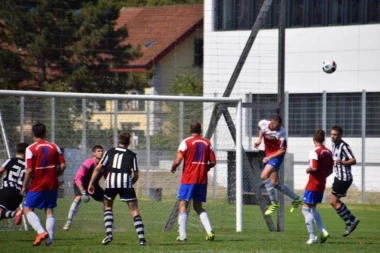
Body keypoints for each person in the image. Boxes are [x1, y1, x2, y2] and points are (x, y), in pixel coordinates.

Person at [88, 132, 147, 246]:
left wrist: (91, 183)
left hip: (111, 183)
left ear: (118, 141)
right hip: (125, 182)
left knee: (108, 206)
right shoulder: (132, 155)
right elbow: (136, 174)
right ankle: (142, 240)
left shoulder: (110, 152)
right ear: (129, 142)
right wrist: (130, 183)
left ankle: (109, 234)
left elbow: (98, 168)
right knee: (134, 211)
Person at [171, 121, 216, 242]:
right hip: (202, 179)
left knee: (183, 204)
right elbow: (213, 162)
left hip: (189, 178)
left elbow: (178, 160)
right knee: (198, 206)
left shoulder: (186, 142)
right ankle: (209, 231)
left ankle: (182, 236)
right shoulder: (208, 143)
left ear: (190, 130)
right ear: (200, 130)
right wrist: (205, 168)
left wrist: (173, 167)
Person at [21, 123, 66, 246]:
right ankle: (50, 241)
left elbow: (29, 170)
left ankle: (41, 231)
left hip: (37, 184)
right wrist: (56, 175)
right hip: (52, 184)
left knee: (27, 209)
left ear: (33, 134)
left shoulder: (30, 149)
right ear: (45, 133)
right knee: (49, 211)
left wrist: (24, 185)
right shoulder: (54, 146)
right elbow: (62, 166)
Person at [254, 114, 302, 215]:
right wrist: (259, 140)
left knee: (263, 176)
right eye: (277, 126)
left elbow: (283, 151)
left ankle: (274, 203)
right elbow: (261, 129)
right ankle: (296, 198)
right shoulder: (263, 123)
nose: (279, 128)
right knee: (275, 183)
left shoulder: (282, 132)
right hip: (268, 155)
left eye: (280, 126)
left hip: (276, 157)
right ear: (271, 123)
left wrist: (270, 157)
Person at [63, 145, 107, 231]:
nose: (101, 153)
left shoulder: (104, 165)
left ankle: (108, 225)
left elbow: (107, 177)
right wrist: (83, 192)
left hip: (93, 186)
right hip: (81, 184)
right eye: (98, 151)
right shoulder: (88, 163)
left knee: (107, 201)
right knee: (78, 198)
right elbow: (77, 178)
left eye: (102, 151)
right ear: (93, 153)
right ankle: (68, 222)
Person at [302, 129, 333, 244]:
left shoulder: (314, 151)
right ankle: (323, 230)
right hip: (321, 183)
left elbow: (314, 168)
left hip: (313, 184)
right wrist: (322, 176)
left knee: (305, 209)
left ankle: (313, 236)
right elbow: (330, 170)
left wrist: (308, 170)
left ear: (313, 139)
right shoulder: (328, 152)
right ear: (323, 139)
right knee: (312, 208)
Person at [329, 125, 360, 237]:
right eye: (331, 134)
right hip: (339, 177)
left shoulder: (344, 146)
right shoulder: (334, 145)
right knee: (335, 202)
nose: (333, 136)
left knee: (333, 202)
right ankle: (352, 219)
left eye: (335, 134)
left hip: (344, 178)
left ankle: (349, 222)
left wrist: (344, 163)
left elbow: (354, 160)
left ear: (340, 135)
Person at [0, 143, 29, 225]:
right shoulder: (29, 166)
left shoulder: (11, 160)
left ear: (16, 151)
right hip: (19, 195)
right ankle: (14, 213)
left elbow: (1, 170)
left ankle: (15, 213)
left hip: (7, 189)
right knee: (2, 214)